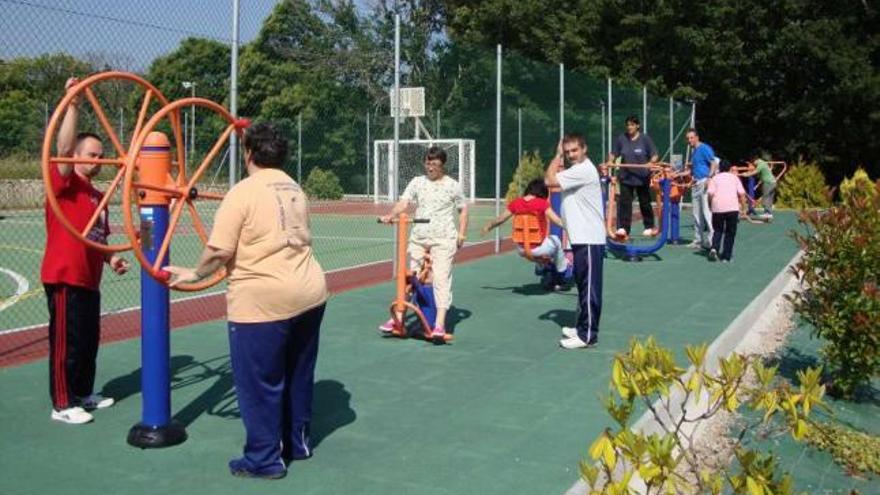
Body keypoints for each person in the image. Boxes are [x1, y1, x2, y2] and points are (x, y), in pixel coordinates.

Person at [165, 122, 329, 480]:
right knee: (299, 374)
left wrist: (194, 274)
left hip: (263, 301)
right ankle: (297, 443)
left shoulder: (243, 191)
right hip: (311, 292)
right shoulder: (294, 187)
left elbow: (219, 250)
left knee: (261, 383)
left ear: (249, 154)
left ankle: (264, 459)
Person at [42, 77, 130, 425]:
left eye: (101, 155)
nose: (99, 160)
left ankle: (83, 393)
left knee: (88, 341)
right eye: (92, 155)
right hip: (65, 276)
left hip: (89, 280)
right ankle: (62, 404)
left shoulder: (97, 195)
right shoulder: (63, 183)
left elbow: (100, 237)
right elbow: (61, 148)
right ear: (74, 157)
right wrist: (74, 103)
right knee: (66, 345)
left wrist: (113, 258)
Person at [378, 146, 469, 342]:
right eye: (428, 163)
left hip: (443, 238)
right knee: (411, 278)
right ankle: (399, 318)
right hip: (419, 237)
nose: (430, 168)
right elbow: (404, 203)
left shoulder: (452, 185)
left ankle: (439, 324)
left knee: (441, 279)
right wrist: (390, 215)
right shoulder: (417, 182)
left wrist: (461, 234)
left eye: (435, 164)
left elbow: (463, 210)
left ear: (442, 165)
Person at [545, 133, 605, 349]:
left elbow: (549, 180)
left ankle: (588, 335)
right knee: (582, 284)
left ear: (584, 149)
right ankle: (582, 326)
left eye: (574, 151)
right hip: (582, 238)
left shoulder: (583, 170)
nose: (570, 155)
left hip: (589, 238)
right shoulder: (577, 170)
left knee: (589, 288)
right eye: (567, 151)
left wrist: (557, 155)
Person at [481, 178, 568, 275]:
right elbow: (557, 221)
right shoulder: (542, 204)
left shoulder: (516, 203)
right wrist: (571, 229)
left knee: (542, 250)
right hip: (537, 248)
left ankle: (541, 266)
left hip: (521, 249)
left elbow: (501, 219)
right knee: (556, 241)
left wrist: (488, 226)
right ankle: (562, 270)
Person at [607, 115, 659, 237]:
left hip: (642, 177)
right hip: (626, 176)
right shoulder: (622, 139)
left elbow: (655, 155)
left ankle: (649, 226)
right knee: (625, 202)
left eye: (632, 125)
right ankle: (624, 228)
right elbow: (613, 153)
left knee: (645, 202)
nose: (629, 127)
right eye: (628, 125)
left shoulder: (645, 139)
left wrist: (650, 163)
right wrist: (610, 161)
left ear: (637, 126)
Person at [707, 159, 747, 262]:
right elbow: (742, 194)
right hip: (732, 208)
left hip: (718, 207)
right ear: (730, 168)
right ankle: (726, 256)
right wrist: (743, 208)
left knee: (718, 230)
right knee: (730, 232)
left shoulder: (714, 178)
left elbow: (710, 194)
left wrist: (710, 205)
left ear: (719, 168)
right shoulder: (734, 178)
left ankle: (714, 248)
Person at [685, 129, 718, 250]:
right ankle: (698, 240)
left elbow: (713, 162)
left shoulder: (704, 148)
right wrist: (678, 174)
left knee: (706, 212)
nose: (689, 140)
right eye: (688, 138)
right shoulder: (694, 152)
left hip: (704, 183)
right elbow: (692, 170)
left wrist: (709, 178)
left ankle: (712, 240)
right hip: (695, 184)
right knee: (696, 214)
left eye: (691, 138)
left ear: (697, 137)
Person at [737, 152, 776, 218]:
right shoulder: (763, 163)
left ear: (755, 160)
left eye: (752, 162)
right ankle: (769, 213)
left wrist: (743, 175)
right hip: (773, 182)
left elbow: (753, 173)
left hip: (768, 183)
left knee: (765, 197)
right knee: (769, 197)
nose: (752, 164)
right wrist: (743, 173)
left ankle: (767, 212)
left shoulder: (760, 164)